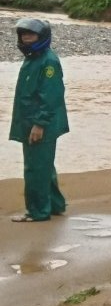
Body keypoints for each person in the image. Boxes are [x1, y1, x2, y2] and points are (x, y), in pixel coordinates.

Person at [8, 18, 69, 222]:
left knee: (35, 168)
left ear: (41, 37)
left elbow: (51, 96)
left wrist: (39, 124)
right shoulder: (33, 58)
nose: (26, 38)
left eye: (30, 35)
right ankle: (55, 205)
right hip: (30, 120)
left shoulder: (48, 61)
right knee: (44, 165)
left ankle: (38, 211)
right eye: (23, 34)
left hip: (41, 124)